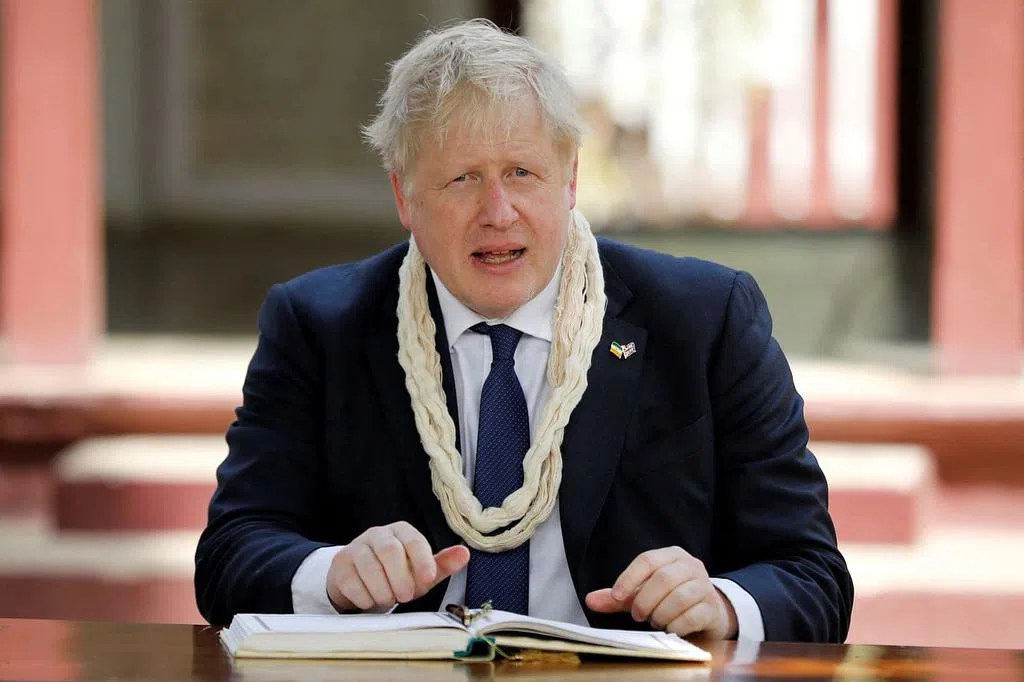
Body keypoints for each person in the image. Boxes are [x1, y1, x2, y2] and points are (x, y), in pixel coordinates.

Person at [194, 19, 853, 643]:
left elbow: (811, 574)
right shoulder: (320, 326)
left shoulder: (704, 321)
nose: (498, 212)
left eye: (522, 173)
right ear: (403, 197)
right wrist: (333, 575)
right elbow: (231, 554)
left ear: (570, 180)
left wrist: (720, 604)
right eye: (462, 179)